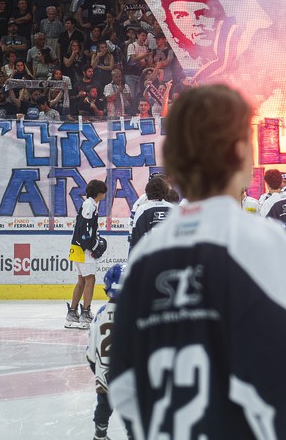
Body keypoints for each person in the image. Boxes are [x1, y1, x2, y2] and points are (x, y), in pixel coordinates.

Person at [108, 85, 286, 439]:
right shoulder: (267, 245)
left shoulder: (144, 259)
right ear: (241, 154)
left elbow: (122, 385)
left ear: (171, 160)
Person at [86, 263, 126, 440]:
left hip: (104, 373)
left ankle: (100, 435)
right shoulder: (133, 313)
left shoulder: (100, 314)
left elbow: (90, 351)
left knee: (103, 405)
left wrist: (98, 371)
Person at [66, 179, 107, 329]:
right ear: (99, 193)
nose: (104, 195)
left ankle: (72, 313)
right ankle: (85, 313)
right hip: (83, 250)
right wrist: (93, 246)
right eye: (103, 192)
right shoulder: (90, 205)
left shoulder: (89, 204)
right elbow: (85, 230)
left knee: (81, 281)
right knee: (90, 280)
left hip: (77, 248)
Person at [127, 175, 174, 252]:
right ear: (166, 190)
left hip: (149, 254)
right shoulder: (174, 209)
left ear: (148, 191)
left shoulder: (142, 209)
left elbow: (137, 235)